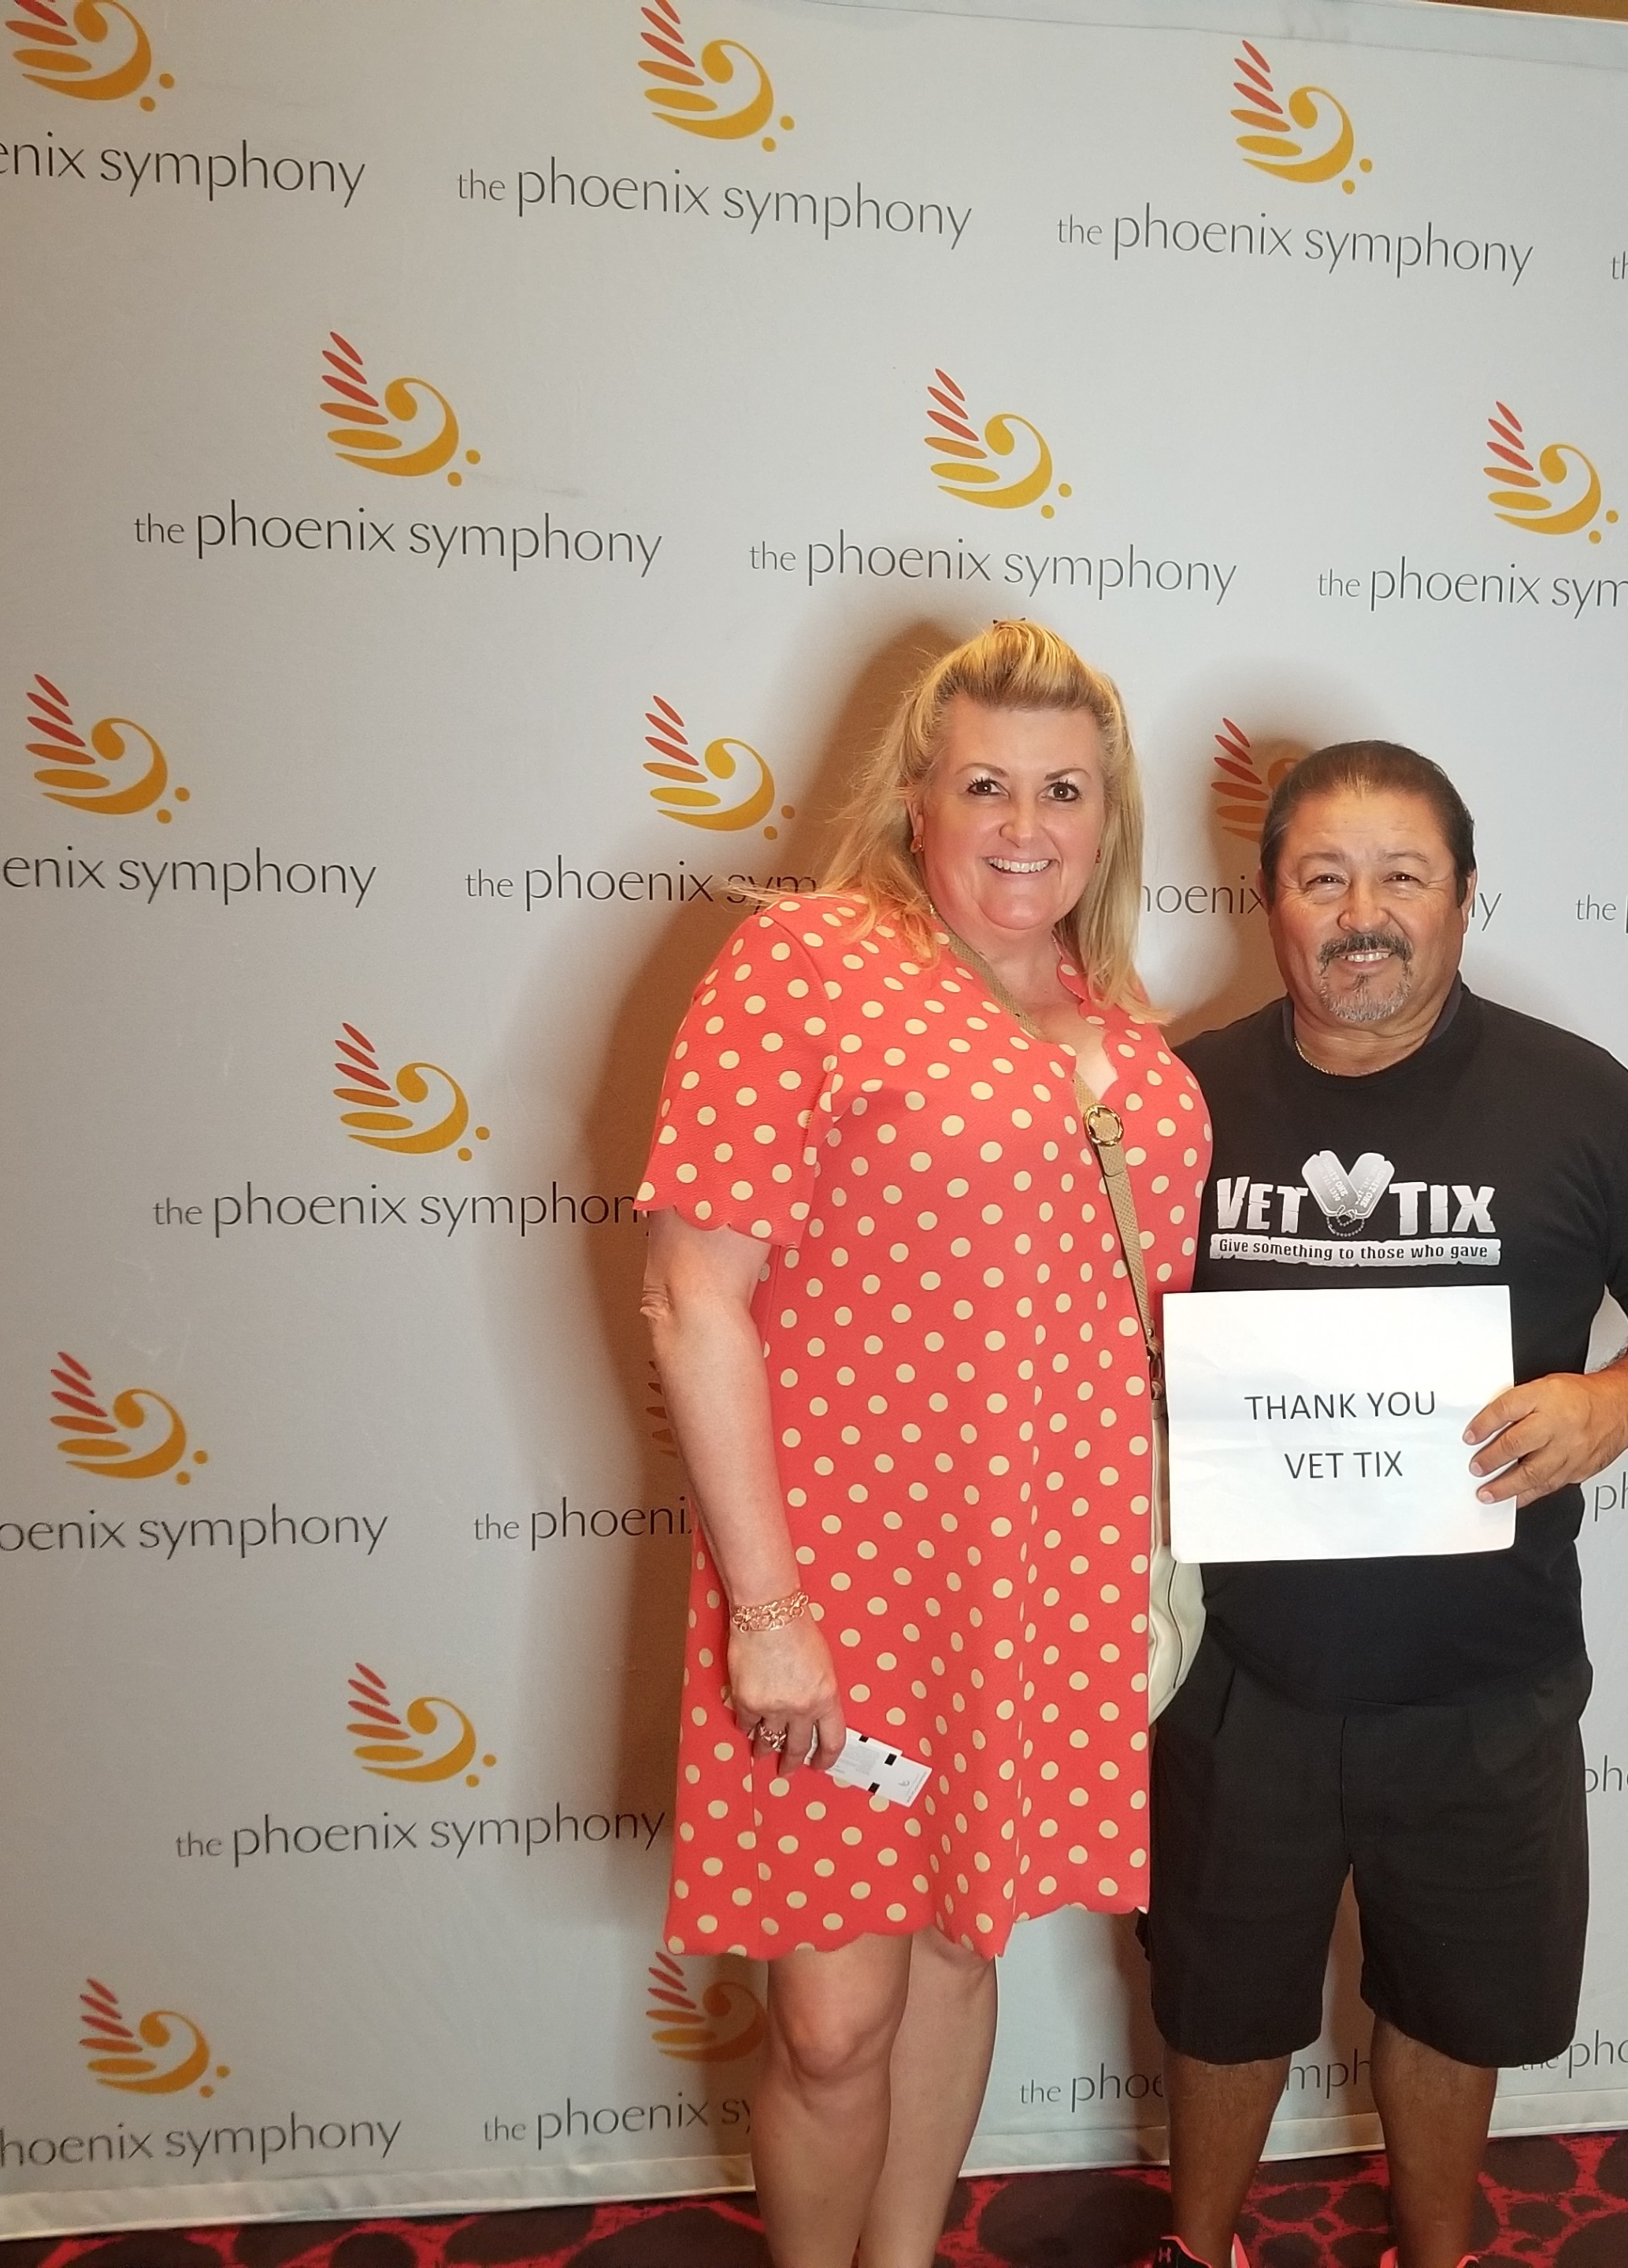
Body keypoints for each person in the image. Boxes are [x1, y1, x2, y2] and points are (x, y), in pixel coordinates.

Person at [636, 621, 1207, 2268]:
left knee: (966, 1946)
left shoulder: (1126, 1028)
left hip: (1034, 1581)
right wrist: (769, 1610)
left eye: (1064, 790)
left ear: (1109, 817)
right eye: (985, 785)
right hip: (833, 1586)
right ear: (916, 800)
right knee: (831, 2026)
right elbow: (690, 1299)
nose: (1025, 825)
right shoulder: (807, 966)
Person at [1148, 742, 1628, 2268]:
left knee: (1455, 2005)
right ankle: (1196, 2254)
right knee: (1218, 2004)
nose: (1364, 914)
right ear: (1268, 901)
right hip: (1233, 1678)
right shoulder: (1176, 1100)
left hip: (1487, 1677)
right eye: (1324, 877)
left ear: (1465, 898)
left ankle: (1435, 2256)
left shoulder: (1575, 1098)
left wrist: (1621, 1399)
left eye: (1402, 877)